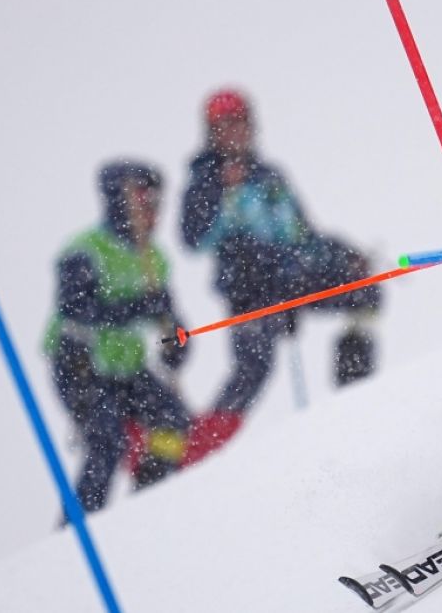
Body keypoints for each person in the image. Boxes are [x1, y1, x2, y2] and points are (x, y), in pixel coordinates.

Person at [179, 88, 382, 464]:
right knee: (253, 369)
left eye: (241, 122)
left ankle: (355, 402)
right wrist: (222, 193)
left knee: (364, 293)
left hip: (294, 279)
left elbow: (303, 235)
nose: (235, 132)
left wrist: (344, 255)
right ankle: (196, 451)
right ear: (211, 132)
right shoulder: (205, 180)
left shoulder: (269, 176)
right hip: (251, 292)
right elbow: (192, 238)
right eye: (225, 125)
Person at [43, 161, 191, 513]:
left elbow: (171, 321)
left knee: (173, 421)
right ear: (119, 202)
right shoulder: (86, 250)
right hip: (80, 365)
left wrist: (177, 342)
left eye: (156, 203)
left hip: (126, 368)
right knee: (108, 442)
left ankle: (142, 506)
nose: (153, 212)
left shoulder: (153, 258)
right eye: (144, 201)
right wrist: (137, 307)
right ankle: (79, 526)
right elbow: (76, 308)